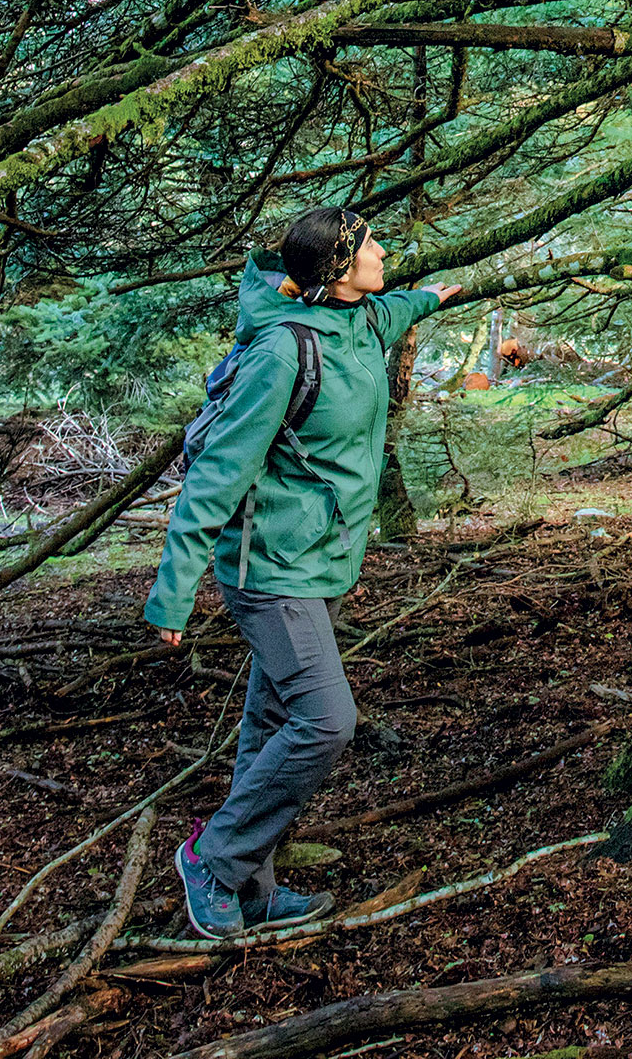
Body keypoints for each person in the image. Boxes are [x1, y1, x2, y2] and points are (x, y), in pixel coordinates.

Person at [145, 207, 462, 937]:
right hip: (271, 572)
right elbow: (218, 476)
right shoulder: (281, 352)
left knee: (272, 723)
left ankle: (251, 890)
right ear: (340, 269)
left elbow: (391, 309)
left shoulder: (358, 322)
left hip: (317, 563)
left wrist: (432, 299)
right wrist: (173, 596)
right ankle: (213, 859)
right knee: (326, 721)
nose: (383, 252)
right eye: (370, 245)